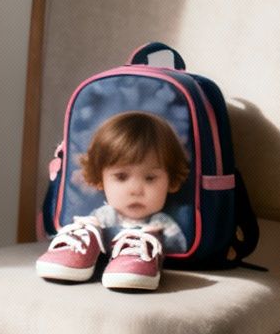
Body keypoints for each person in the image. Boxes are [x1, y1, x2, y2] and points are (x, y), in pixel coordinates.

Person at [35, 111, 191, 291]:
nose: (136, 190)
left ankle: (142, 252)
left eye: (150, 178)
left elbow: (179, 246)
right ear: (101, 180)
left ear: (171, 181)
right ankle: (80, 254)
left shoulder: (162, 224)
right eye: (121, 177)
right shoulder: (103, 217)